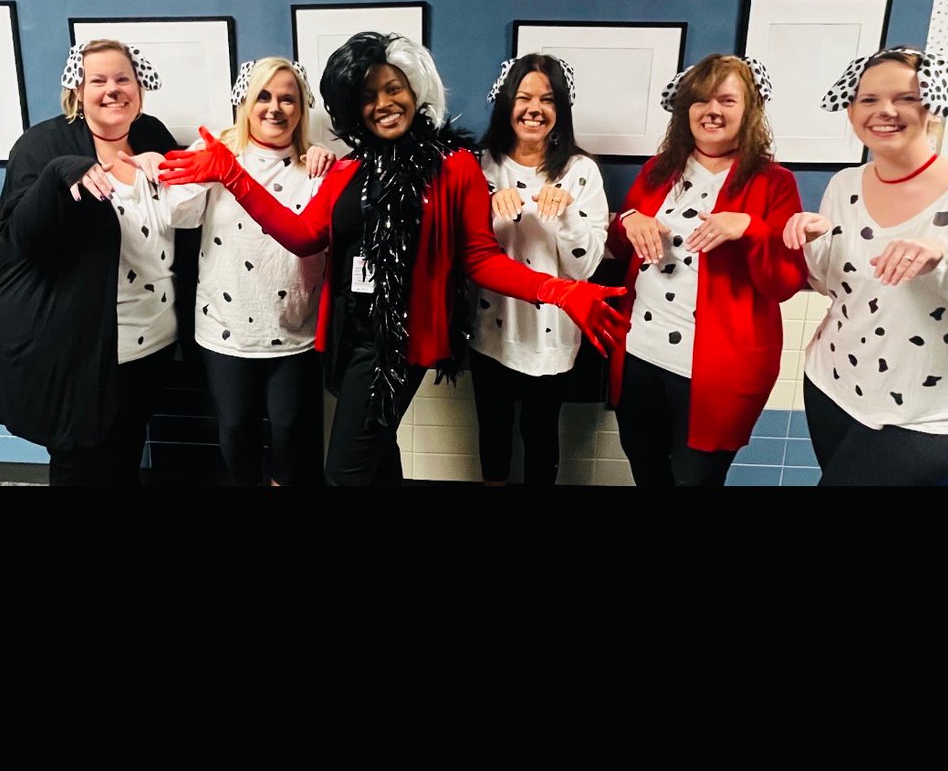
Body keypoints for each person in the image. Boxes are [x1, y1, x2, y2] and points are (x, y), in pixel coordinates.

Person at [158, 32, 628, 487]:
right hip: (346, 330)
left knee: (343, 473)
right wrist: (232, 175)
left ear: (414, 90)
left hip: (399, 340)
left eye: (393, 88)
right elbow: (303, 236)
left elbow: (480, 257)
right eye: (368, 95)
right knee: (378, 455)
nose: (384, 103)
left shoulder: (454, 165)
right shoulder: (349, 168)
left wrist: (557, 290)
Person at [783, 45, 948, 486]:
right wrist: (812, 242)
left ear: (933, 108)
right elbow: (836, 289)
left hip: (931, 412)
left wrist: (945, 261)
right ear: (851, 112)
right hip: (832, 386)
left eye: (906, 98)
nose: (885, 111)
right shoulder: (844, 184)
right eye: (868, 99)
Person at [0, 39, 195, 486]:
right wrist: (61, 173)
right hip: (79, 349)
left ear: (139, 87)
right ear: (78, 90)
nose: (113, 90)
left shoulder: (151, 133)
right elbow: (23, 237)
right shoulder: (44, 144)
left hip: (149, 340)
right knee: (81, 463)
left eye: (123, 79)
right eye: (99, 80)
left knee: (124, 453)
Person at [606, 53, 807, 486]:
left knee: (696, 479)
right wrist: (628, 219)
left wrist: (751, 228)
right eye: (700, 100)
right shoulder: (658, 171)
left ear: (750, 109)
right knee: (645, 467)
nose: (711, 110)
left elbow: (786, 283)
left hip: (718, 371)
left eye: (726, 100)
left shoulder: (775, 183)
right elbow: (620, 248)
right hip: (640, 353)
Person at [154, 58, 331, 486]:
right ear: (246, 104)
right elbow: (179, 216)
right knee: (235, 426)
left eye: (288, 99)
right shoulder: (219, 155)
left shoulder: (317, 166)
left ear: (302, 109)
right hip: (225, 327)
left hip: (294, 328)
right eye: (264, 97)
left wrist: (326, 155)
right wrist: (202, 169)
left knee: (291, 429)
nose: (275, 108)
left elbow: (322, 235)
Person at [469, 53, 609, 486]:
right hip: (491, 326)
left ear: (560, 110)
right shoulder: (479, 165)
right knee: (492, 430)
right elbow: (463, 252)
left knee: (541, 432)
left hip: (551, 328)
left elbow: (584, 269)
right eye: (524, 97)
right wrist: (486, 206)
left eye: (547, 100)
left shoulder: (580, 171)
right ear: (506, 103)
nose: (535, 109)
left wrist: (566, 215)